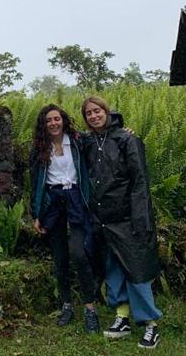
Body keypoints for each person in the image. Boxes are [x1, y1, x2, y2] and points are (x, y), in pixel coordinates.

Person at [81, 96, 162, 349]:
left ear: (107, 111)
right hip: (103, 219)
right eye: (89, 114)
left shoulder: (127, 139)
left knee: (136, 270)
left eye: (97, 111)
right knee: (113, 269)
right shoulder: (88, 142)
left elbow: (139, 181)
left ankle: (150, 324)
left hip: (128, 217)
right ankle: (122, 318)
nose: (94, 116)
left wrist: (140, 217)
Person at [29, 104, 100, 333]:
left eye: (56, 119)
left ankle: (90, 308)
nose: (53, 123)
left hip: (76, 198)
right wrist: (37, 213)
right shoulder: (40, 149)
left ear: (63, 120)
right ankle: (66, 305)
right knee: (60, 258)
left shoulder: (79, 142)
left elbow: (103, 137)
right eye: (48, 120)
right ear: (44, 124)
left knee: (79, 253)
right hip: (53, 201)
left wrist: (122, 129)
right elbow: (35, 184)